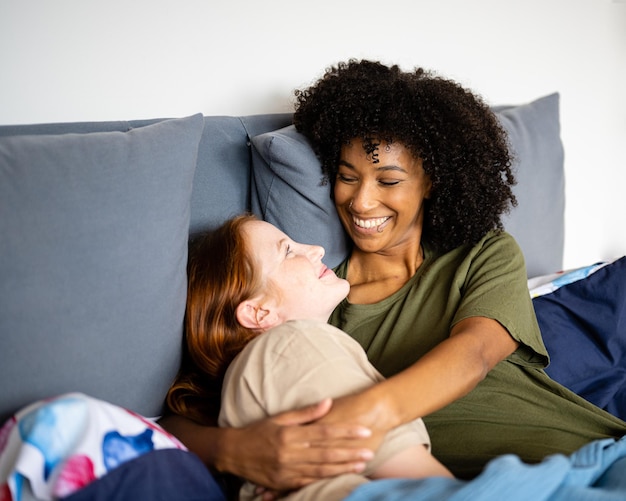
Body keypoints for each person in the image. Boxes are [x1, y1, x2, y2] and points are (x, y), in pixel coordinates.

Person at [162, 214, 452, 500]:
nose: (318, 250)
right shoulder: (288, 343)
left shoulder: (268, 369)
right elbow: (437, 490)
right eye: (288, 251)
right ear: (259, 312)